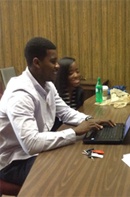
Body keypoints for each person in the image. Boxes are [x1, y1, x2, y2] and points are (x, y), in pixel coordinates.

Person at [0, 37, 115, 186]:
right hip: (14, 161)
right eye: (53, 62)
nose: (57, 66)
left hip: (35, 151)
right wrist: (74, 132)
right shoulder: (20, 94)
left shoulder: (47, 85)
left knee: (77, 160)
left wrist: (89, 120)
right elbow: (31, 144)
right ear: (37, 62)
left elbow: (65, 112)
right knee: (65, 173)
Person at [51, 57, 83, 131]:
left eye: (77, 71)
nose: (76, 75)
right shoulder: (55, 92)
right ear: (62, 75)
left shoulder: (79, 91)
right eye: (70, 73)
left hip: (73, 127)